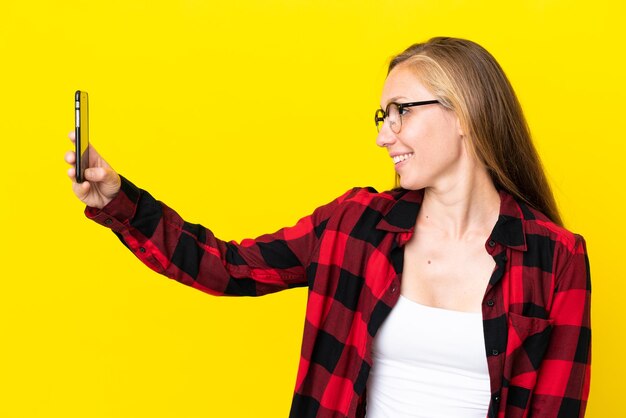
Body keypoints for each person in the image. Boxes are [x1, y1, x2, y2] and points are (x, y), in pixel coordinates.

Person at [64, 37, 591, 418]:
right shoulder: (355, 226)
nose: (385, 136)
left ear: (465, 115)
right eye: (381, 116)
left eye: (400, 112)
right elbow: (228, 267)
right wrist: (119, 202)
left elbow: (555, 408)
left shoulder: (556, 258)